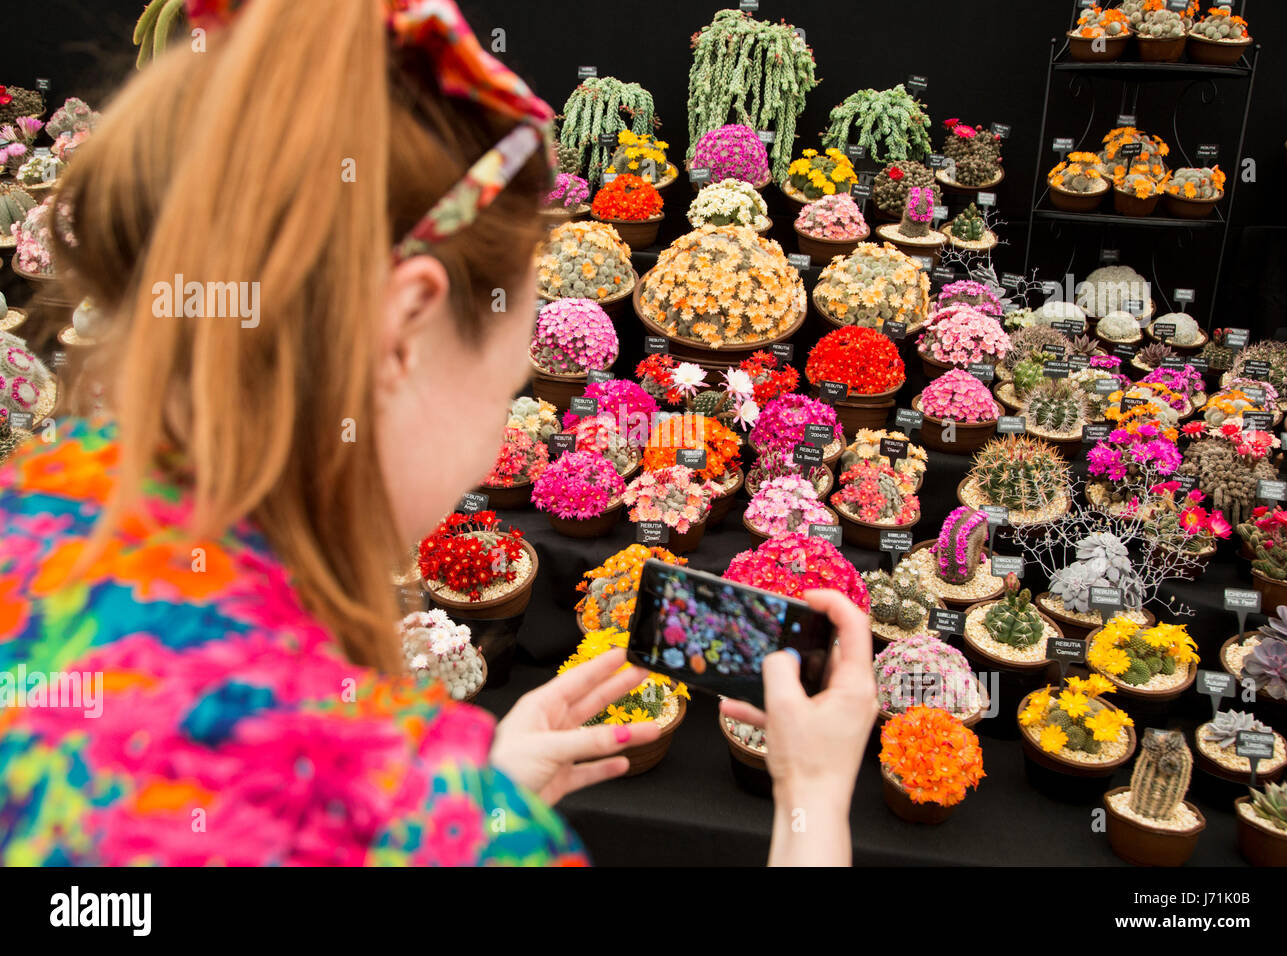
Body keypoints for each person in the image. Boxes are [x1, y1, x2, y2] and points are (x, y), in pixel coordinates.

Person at [0, 0, 877, 867]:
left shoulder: (35, 504)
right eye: (507, 378)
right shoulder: (398, 808)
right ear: (405, 327)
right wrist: (811, 797)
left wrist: (482, 792)